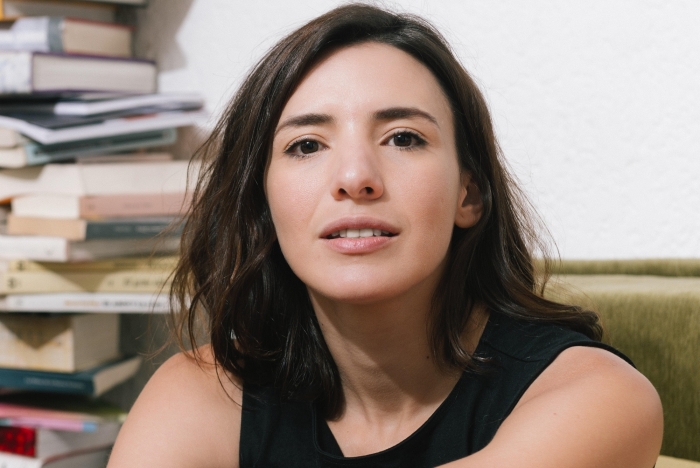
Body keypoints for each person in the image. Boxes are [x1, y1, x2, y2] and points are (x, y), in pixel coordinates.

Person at [107, 4, 663, 467]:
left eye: (403, 138)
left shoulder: (595, 397)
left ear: (468, 193)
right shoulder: (200, 397)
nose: (355, 178)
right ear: (263, 204)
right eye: (306, 145)